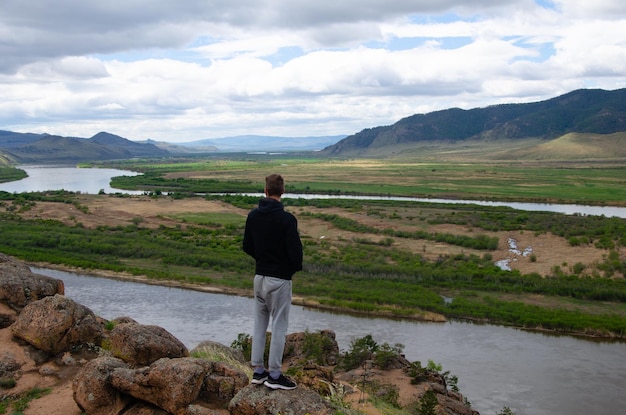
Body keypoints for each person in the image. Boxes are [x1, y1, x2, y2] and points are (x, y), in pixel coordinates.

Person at [242, 174, 303, 390]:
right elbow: (296, 253)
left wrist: (263, 260)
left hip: (259, 278)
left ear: (265, 191)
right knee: (279, 326)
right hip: (280, 280)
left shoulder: (253, 216)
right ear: (282, 192)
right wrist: (289, 268)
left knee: (260, 323)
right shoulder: (287, 220)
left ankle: (258, 371)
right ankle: (275, 375)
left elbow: (247, 246)